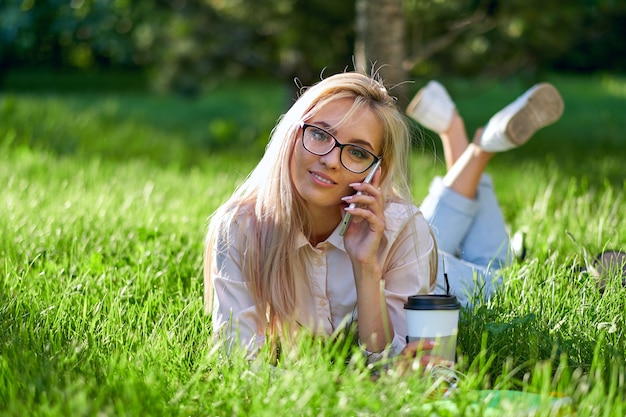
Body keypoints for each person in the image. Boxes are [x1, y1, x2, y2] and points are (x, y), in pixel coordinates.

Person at [204, 72, 564, 365]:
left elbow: (402, 364)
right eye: (318, 133)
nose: (330, 159)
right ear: (290, 134)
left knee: (496, 272)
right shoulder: (240, 228)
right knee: (424, 225)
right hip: (411, 239)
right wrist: (356, 384)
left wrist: (367, 266)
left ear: (376, 172)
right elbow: (238, 363)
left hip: (443, 284)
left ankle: (474, 142)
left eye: (357, 152)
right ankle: (473, 141)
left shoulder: (400, 225)